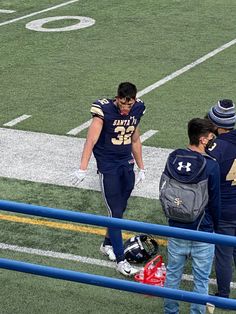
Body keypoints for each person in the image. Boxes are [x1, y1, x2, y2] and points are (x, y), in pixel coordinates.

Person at [72, 82, 146, 276]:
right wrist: (82, 168)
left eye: (129, 105)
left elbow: (135, 139)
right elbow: (91, 139)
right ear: (117, 98)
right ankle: (121, 261)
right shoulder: (103, 110)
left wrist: (141, 167)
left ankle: (106, 244)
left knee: (119, 210)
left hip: (126, 164)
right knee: (114, 212)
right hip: (108, 166)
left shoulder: (137, 109)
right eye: (122, 103)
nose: (125, 108)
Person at [163, 118, 221, 314]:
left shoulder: (173, 158)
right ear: (203, 140)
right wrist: (215, 227)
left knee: (172, 275)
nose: (214, 140)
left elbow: (164, 191)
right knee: (201, 280)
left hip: (176, 225)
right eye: (211, 137)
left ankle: (170, 311)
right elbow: (215, 203)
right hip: (202, 230)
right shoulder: (211, 165)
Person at [206, 99, 236, 298]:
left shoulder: (217, 147)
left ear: (217, 125)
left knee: (223, 254)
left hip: (224, 207)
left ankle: (223, 294)